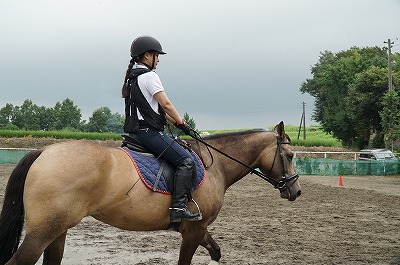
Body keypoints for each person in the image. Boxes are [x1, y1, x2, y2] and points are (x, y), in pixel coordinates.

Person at [121, 35, 201, 222]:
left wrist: (171, 121)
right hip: (149, 133)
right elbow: (165, 104)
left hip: (135, 133)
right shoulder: (149, 76)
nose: (158, 61)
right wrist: (181, 121)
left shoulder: (132, 78)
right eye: (157, 56)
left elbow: (149, 108)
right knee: (186, 161)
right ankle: (178, 207)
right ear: (148, 56)